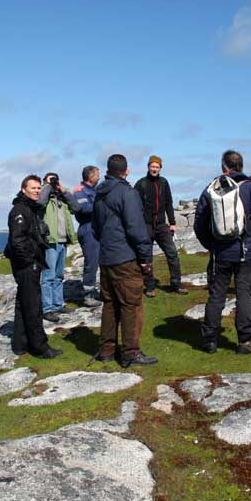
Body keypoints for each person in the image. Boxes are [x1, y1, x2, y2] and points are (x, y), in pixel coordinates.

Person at [194, 150, 251, 354]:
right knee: (244, 294)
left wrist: (211, 245)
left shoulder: (211, 189)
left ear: (223, 167)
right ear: (241, 166)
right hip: (245, 252)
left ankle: (210, 340)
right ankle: (244, 341)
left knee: (216, 296)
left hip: (220, 253)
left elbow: (199, 223)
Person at [92, 154, 158, 367]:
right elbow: (136, 228)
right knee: (131, 304)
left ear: (107, 171)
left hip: (107, 257)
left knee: (110, 304)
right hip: (125, 257)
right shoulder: (127, 193)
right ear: (126, 171)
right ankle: (130, 353)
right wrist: (146, 257)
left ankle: (106, 350)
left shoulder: (99, 194)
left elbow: (95, 228)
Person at [3, 175, 62, 359]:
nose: (37, 191)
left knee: (23, 303)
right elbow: (18, 241)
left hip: (30, 263)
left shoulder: (31, 208)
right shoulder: (20, 211)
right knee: (33, 306)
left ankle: (20, 344)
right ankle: (39, 347)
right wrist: (31, 262)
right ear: (23, 189)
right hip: (27, 265)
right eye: (33, 188)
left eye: (38, 188)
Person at [134, 155, 188, 297]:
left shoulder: (164, 182)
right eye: (152, 166)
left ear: (160, 168)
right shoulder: (141, 184)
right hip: (146, 225)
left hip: (161, 225)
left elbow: (168, 203)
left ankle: (176, 284)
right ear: (148, 167)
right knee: (146, 257)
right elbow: (135, 206)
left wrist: (173, 223)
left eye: (157, 167)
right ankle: (150, 287)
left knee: (172, 253)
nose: (154, 169)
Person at [37, 172, 81, 322]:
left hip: (62, 240)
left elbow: (76, 207)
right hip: (50, 241)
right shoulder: (44, 197)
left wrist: (63, 190)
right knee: (48, 276)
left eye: (55, 180)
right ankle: (47, 308)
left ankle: (58, 304)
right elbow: (40, 202)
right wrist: (48, 186)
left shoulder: (62, 197)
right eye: (50, 181)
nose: (53, 183)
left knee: (59, 275)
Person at [72, 166, 102, 307]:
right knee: (91, 262)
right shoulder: (80, 192)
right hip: (88, 228)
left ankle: (99, 291)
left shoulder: (95, 190)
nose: (99, 177)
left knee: (102, 262)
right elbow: (84, 209)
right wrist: (102, 204)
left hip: (99, 228)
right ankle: (88, 295)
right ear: (91, 177)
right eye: (97, 175)